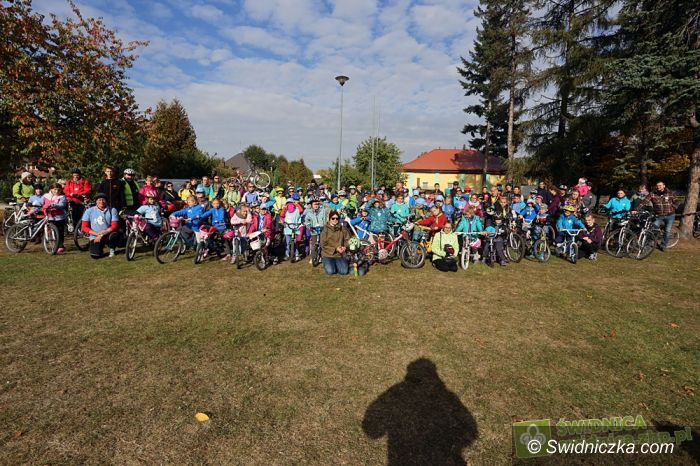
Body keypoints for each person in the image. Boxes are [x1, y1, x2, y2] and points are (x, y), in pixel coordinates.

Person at [634, 180, 678, 251]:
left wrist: (674, 207)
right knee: (652, 229)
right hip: (659, 215)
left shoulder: (670, 193)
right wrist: (636, 209)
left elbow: (676, 201)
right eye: (657, 186)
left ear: (664, 186)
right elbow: (644, 201)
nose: (658, 187)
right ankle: (648, 244)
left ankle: (663, 246)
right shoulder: (652, 194)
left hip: (670, 215)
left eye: (660, 185)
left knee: (667, 231)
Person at [81, 193, 120, 258]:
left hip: (108, 234)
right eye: (99, 200)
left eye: (103, 200)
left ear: (106, 201)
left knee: (114, 236)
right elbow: (84, 227)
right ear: (96, 201)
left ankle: (112, 248)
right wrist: (97, 234)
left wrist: (102, 234)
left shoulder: (112, 210)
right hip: (95, 235)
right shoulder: (89, 211)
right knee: (95, 256)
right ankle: (99, 249)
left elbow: (114, 226)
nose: (101, 202)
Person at [319, 209, 350, 275]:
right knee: (330, 271)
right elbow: (323, 244)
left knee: (344, 271)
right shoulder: (325, 230)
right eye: (333, 218)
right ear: (329, 219)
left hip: (339, 254)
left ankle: (336, 264)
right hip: (328, 254)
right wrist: (335, 249)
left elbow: (347, 239)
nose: (335, 220)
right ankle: (326, 262)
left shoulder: (342, 228)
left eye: (337, 218)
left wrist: (345, 247)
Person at [43, 183, 68, 254]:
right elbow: (41, 203)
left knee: (60, 232)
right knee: (52, 231)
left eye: (59, 190)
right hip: (49, 216)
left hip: (59, 217)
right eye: (55, 189)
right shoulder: (45, 196)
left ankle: (60, 246)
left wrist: (53, 205)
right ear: (51, 189)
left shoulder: (62, 197)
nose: (57, 191)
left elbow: (62, 204)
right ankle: (54, 244)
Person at [304, 197, 326, 264]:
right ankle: (313, 256)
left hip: (322, 229)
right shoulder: (309, 213)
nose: (316, 205)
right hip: (314, 230)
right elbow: (306, 221)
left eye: (317, 204)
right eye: (314, 204)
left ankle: (321, 256)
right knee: (314, 243)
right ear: (311, 205)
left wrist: (325, 226)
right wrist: (309, 226)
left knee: (322, 243)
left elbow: (325, 219)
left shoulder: (322, 211)